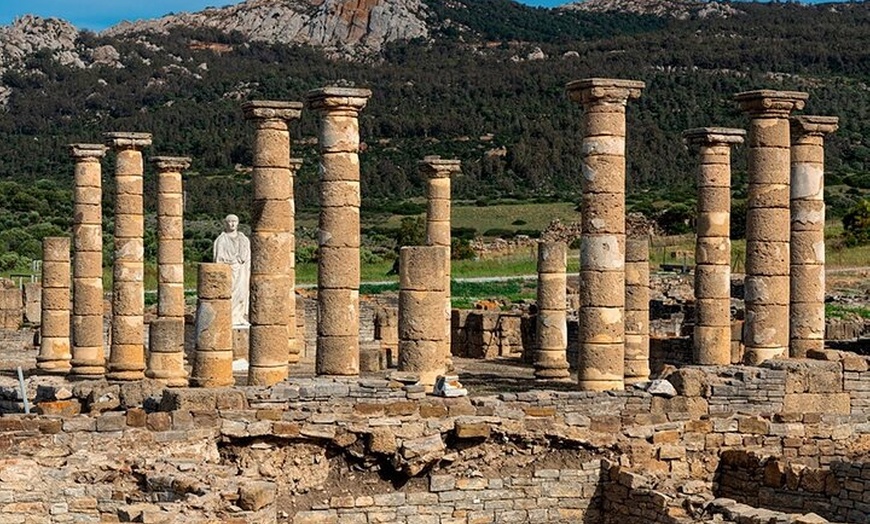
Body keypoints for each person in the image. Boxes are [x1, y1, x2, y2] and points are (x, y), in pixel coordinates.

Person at [212, 214, 251, 326]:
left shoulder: (243, 239)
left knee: (242, 294)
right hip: (229, 270)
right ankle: (229, 316)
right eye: (230, 221)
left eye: (235, 221)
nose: (232, 224)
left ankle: (239, 316)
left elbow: (247, 257)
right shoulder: (221, 239)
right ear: (226, 223)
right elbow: (218, 258)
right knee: (229, 292)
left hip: (241, 271)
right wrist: (231, 261)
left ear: (238, 223)